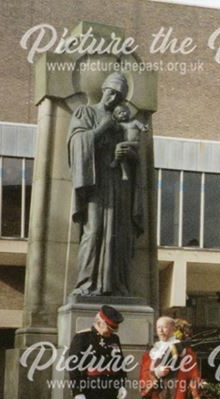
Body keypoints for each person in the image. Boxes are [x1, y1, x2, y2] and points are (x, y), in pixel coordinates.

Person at [68, 71, 144, 297]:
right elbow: (77, 143)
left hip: (119, 184)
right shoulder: (86, 112)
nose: (113, 98)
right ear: (103, 90)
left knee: (118, 233)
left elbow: (135, 153)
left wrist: (127, 153)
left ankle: (115, 285)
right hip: (96, 183)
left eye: (119, 96)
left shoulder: (124, 122)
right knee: (95, 231)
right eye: (111, 92)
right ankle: (86, 284)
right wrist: (104, 126)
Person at [110, 103, 148, 181]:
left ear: (128, 112)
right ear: (116, 116)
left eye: (123, 111)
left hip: (135, 143)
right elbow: (114, 128)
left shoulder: (134, 122)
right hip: (127, 145)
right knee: (123, 154)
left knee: (119, 145)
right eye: (119, 113)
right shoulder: (121, 125)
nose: (122, 114)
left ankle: (116, 160)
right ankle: (124, 173)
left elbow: (142, 127)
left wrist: (145, 128)